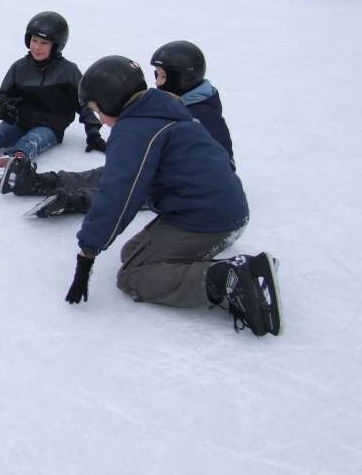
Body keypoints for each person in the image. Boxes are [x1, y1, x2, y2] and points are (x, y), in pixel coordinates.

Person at [63, 55, 281, 337]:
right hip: (227, 211)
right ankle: (226, 270)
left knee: (133, 276)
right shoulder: (163, 109)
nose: (100, 121)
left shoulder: (132, 131)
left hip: (206, 220)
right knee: (132, 252)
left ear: (111, 100)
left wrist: (87, 253)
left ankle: (231, 280)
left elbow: (119, 197)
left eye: (97, 110)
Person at [3, 40, 233, 217]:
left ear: (184, 79)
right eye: (156, 75)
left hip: (180, 184)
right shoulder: (171, 103)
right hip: (155, 165)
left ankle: (74, 201)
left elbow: (224, 166)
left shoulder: (202, 116)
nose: (157, 82)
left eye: (163, 77)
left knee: (126, 189)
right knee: (106, 173)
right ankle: (41, 182)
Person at [0, 11, 104, 180]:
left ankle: (14, 159)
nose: (37, 47)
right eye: (34, 40)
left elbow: (84, 105)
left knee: (33, 140)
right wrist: (4, 107)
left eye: (44, 43)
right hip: (20, 119)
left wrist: (93, 134)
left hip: (50, 126)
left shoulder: (69, 71)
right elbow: (3, 95)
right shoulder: (20, 67)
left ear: (56, 46)